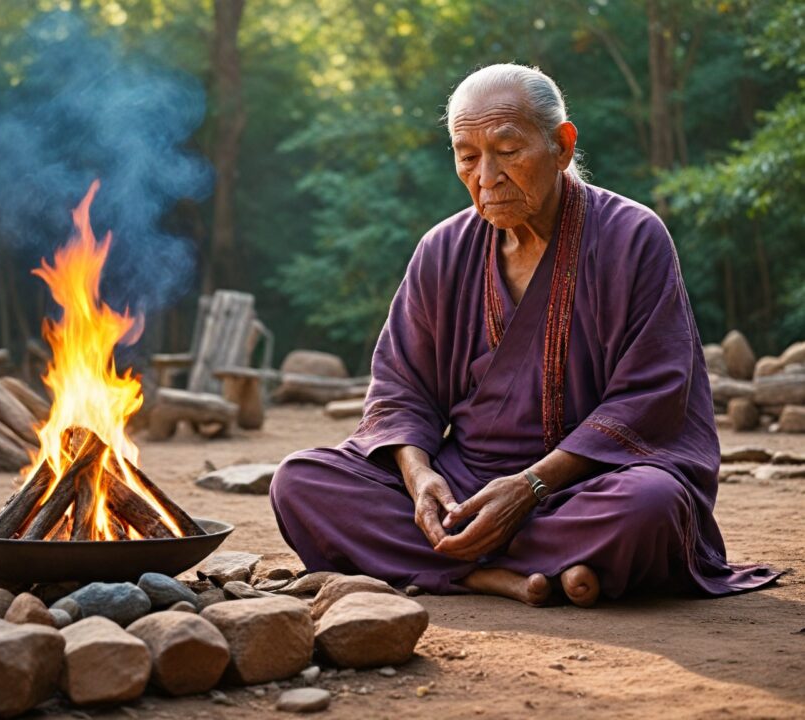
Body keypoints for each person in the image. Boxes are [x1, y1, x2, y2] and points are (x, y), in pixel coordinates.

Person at [270, 63, 778, 607]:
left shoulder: (633, 237)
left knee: (650, 505)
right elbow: (402, 390)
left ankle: (461, 564)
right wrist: (422, 484)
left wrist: (530, 487)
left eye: (508, 151)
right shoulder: (442, 250)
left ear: (562, 144)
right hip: (463, 486)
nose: (486, 177)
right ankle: (512, 574)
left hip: (582, 486)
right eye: (467, 156)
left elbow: (651, 396)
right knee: (301, 482)